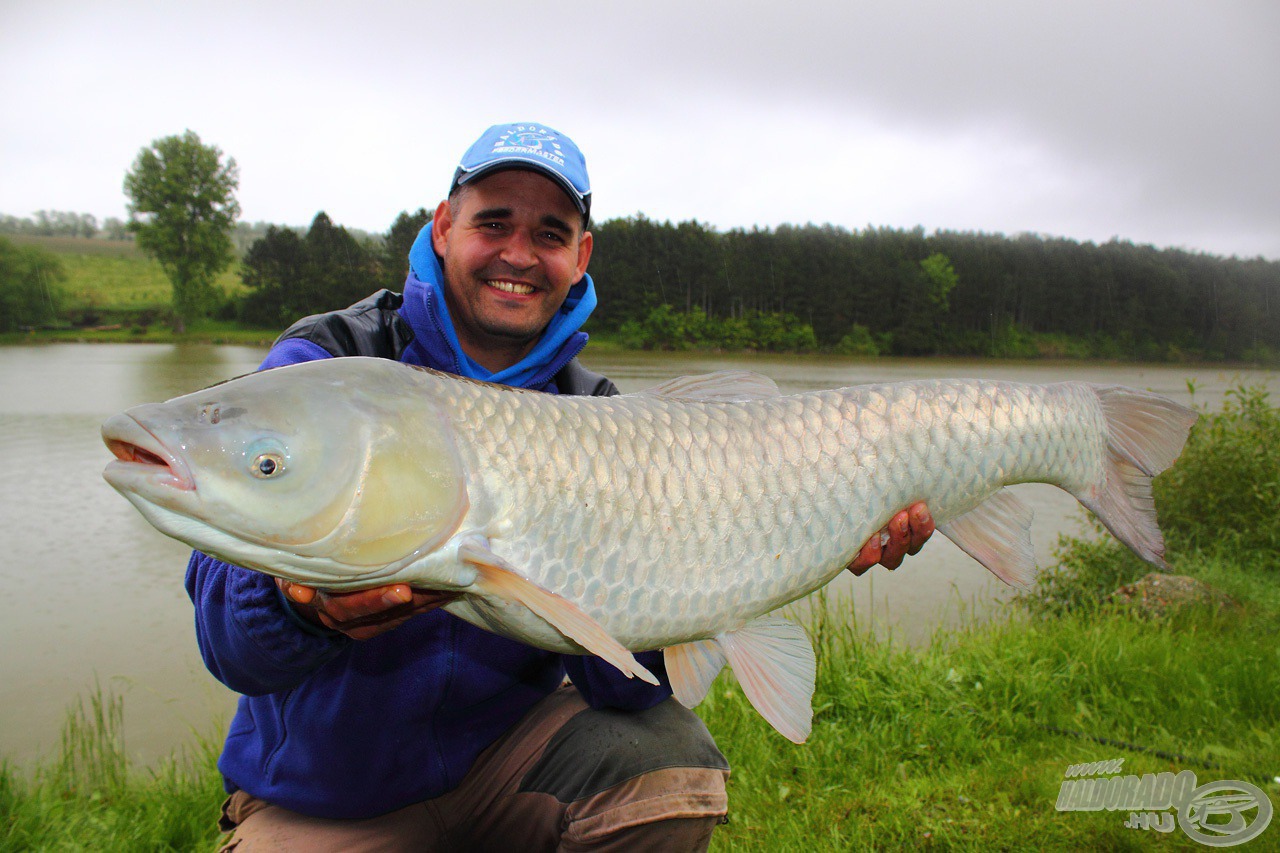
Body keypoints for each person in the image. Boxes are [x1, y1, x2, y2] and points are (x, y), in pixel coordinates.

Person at [191, 122, 934, 851]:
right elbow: (228, 641)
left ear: (579, 257)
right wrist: (306, 607)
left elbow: (625, 690)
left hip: (504, 764)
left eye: (549, 233)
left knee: (668, 765)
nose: (518, 253)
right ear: (444, 226)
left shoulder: (598, 414)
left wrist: (732, 577)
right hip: (330, 795)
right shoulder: (330, 363)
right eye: (493, 222)